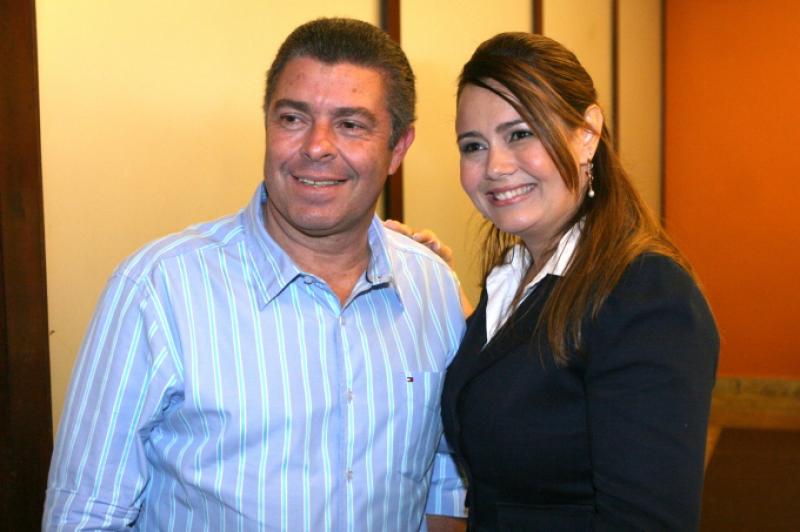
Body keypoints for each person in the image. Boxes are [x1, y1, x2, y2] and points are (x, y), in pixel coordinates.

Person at [43, 18, 467, 531]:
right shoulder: (158, 289)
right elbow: (85, 515)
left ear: (398, 148)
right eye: (293, 118)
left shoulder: (433, 289)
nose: (316, 146)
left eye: (351, 125)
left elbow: (444, 475)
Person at [434, 33, 719, 530]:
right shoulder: (511, 277)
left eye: (520, 134)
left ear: (587, 133)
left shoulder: (645, 295)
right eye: (473, 146)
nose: (495, 167)